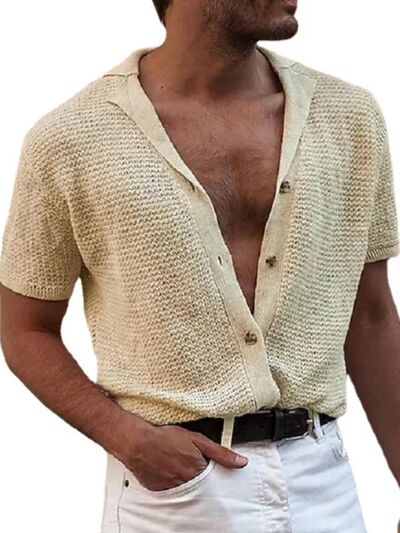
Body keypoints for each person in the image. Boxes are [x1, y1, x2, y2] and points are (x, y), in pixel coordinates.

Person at [0, 0, 399, 531]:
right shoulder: (71, 139)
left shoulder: (348, 117)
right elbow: (25, 329)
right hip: (173, 498)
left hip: (325, 485)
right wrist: (123, 436)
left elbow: (371, 318)